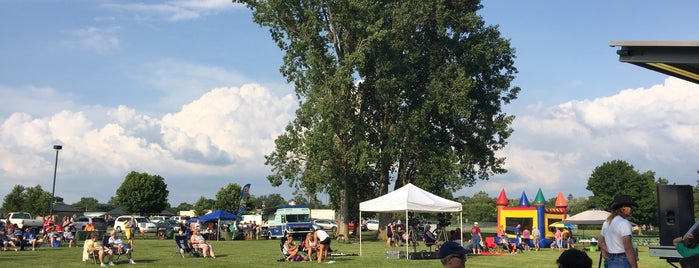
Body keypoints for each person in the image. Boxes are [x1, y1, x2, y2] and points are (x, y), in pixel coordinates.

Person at [598, 194, 639, 268]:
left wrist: (611, 251)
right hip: (623, 260)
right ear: (623, 207)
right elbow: (628, 247)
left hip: (612, 260)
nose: (631, 209)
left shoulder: (607, 222)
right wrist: (634, 266)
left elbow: (600, 242)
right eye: (630, 206)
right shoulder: (624, 223)